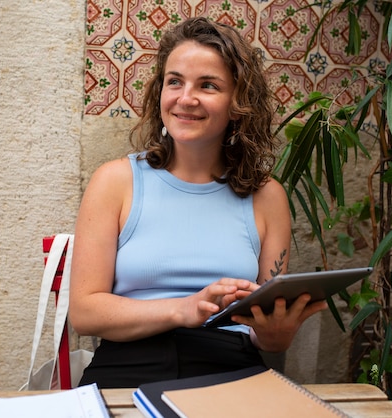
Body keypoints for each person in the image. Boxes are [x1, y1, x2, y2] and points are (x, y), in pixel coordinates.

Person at [68, 16, 327, 388]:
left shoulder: (267, 196)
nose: (185, 99)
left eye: (207, 85)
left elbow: (268, 341)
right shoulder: (115, 181)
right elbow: (85, 312)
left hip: (231, 369)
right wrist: (184, 308)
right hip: (126, 366)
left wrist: (276, 330)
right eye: (175, 81)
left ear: (239, 103)